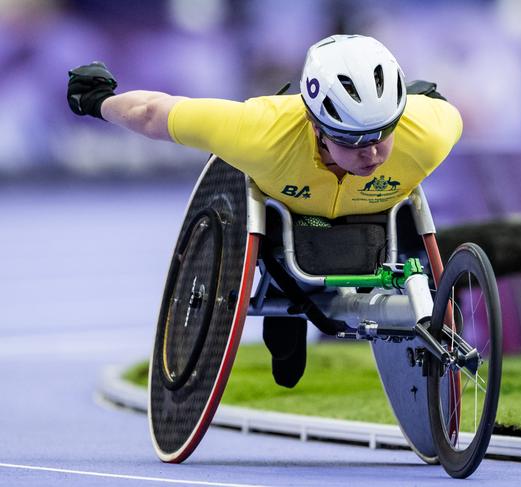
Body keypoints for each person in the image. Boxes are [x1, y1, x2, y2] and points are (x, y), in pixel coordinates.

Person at [67, 34, 463, 388]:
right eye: (353, 140)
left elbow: (435, 111)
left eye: (382, 134)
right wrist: (99, 101)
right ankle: (286, 298)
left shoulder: (429, 132)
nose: (372, 152)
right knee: (286, 340)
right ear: (317, 125)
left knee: (407, 218)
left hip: (378, 221)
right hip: (290, 226)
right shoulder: (262, 132)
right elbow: (155, 113)